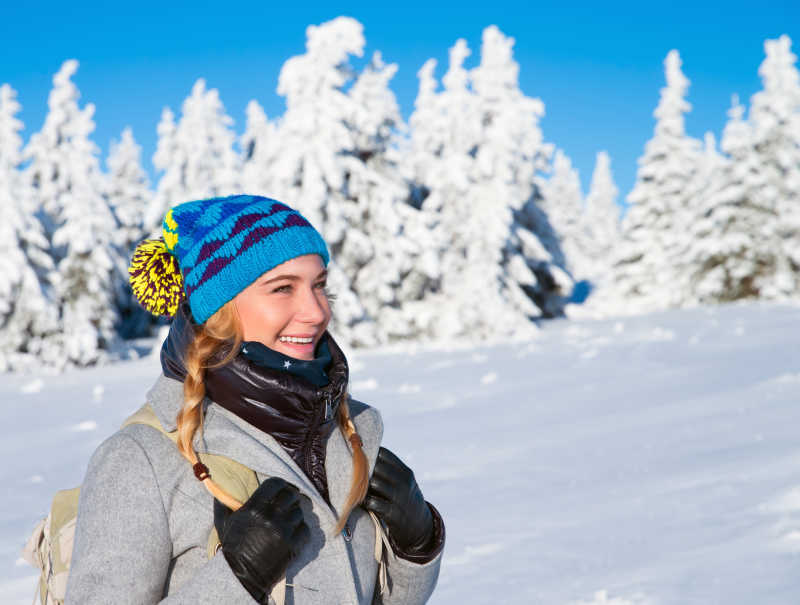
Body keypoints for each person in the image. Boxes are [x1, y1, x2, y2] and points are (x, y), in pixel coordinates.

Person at [65, 195, 445, 604]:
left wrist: (416, 549)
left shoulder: (346, 435)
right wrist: (236, 580)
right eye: (283, 288)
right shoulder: (142, 460)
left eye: (319, 285)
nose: (316, 312)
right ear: (219, 309)